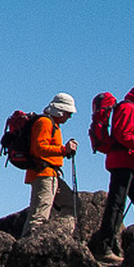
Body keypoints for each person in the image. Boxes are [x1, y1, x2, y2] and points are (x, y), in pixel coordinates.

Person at [90, 82, 134, 264]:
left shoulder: (130, 109)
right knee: (118, 204)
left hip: (125, 163)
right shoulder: (129, 108)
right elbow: (123, 136)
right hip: (121, 164)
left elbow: (125, 142)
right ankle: (104, 248)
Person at [21, 93, 80, 237]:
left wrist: (64, 152)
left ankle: (59, 237)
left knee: (73, 204)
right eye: (68, 113)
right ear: (60, 110)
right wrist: (63, 150)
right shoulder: (45, 122)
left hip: (50, 174)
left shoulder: (53, 124)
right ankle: (30, 248)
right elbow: (39, 148)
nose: (69, 117)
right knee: (39, 215)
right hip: (43, 174)